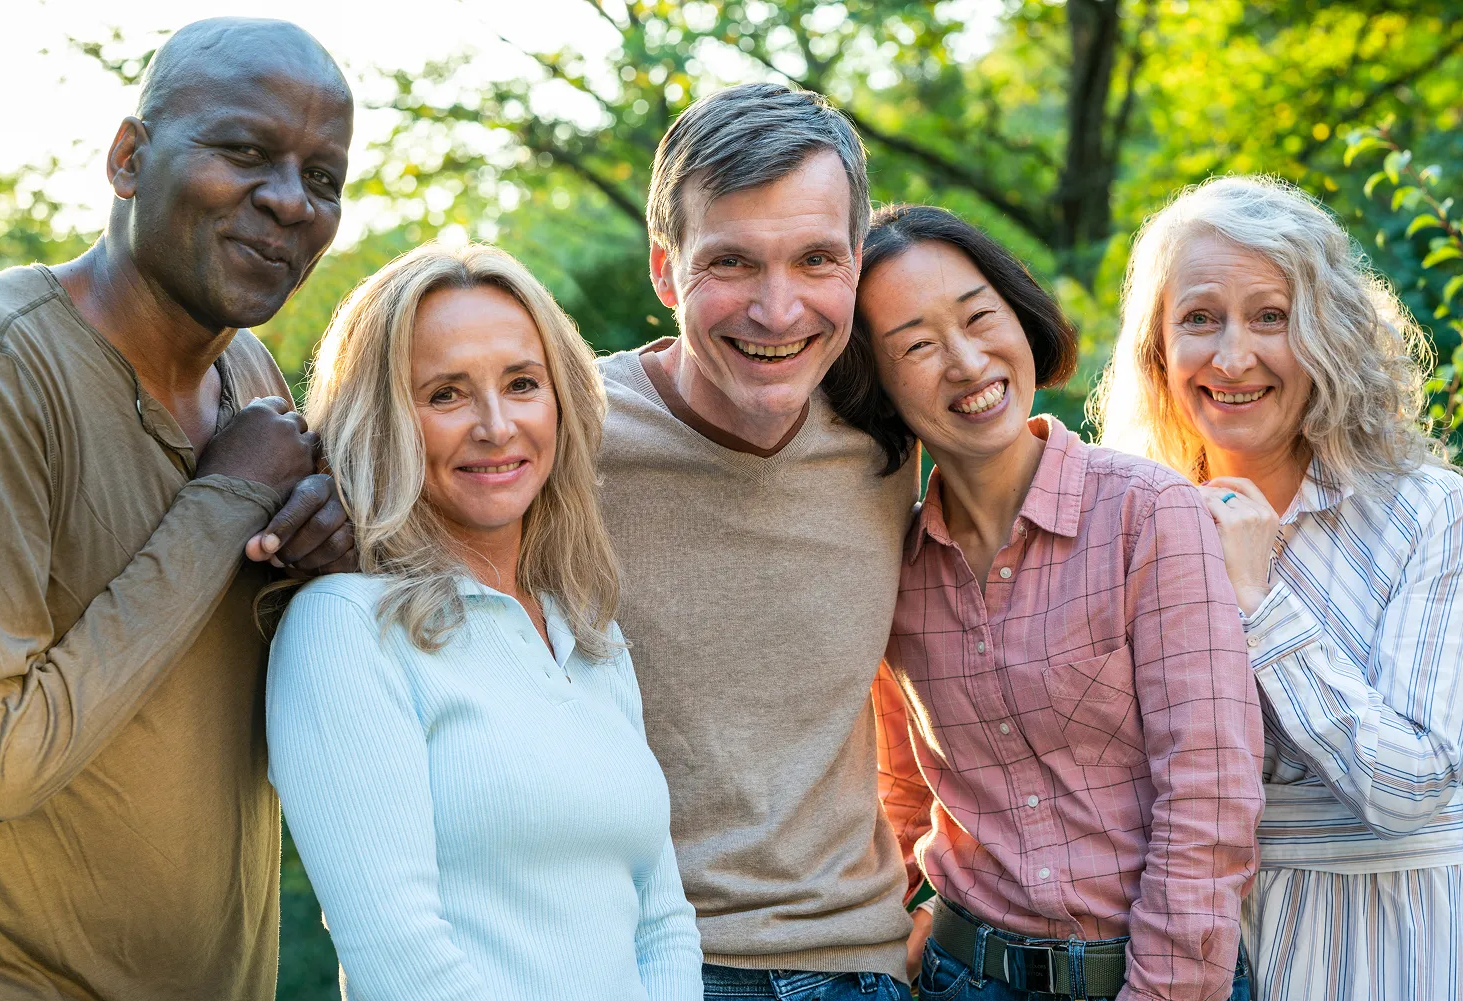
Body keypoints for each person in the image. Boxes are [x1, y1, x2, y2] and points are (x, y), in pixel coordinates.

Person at [0, 18, 358, 999]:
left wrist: (333, 558)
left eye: (323, 176)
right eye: (245, 151)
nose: (287, 200)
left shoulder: (249, 378)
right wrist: (226, 497)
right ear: (130, 158)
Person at [825, 204, 1264, 1001]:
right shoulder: (893, 562)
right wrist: (868, 939)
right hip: (964, 975)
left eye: (977, 318)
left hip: (1148, 976)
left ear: (1019, 319)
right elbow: (902, 789)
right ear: (877, 385)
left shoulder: (1146, 512)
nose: (964, 362)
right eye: (915, 345)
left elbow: (1209, 790)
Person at [265, 242, 702, 1001]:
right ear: (384, 420)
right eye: (445, 394)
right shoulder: (343, 629)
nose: (497, 426)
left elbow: (659, 915)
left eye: (522, 383)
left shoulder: (587, 631)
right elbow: (397, 952)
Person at [1094, 175, 1463, 1001]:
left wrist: (1255, 600)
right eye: (1198, 318)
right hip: (1174, 951)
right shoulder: (1126, 524)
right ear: (1156, 347)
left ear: (1327, 331)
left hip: (1386, 947)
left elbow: (1410, 789)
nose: (1232, 357)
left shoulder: (1427, 514)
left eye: (1270, 316)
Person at [596, 83, 921, 999]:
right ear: (665, 272)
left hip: (859, 965)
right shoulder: (558, 435)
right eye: (732, 263)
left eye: (815, 259)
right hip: (630, 960)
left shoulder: (891, 429)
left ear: (857, 263)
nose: (777, 312)